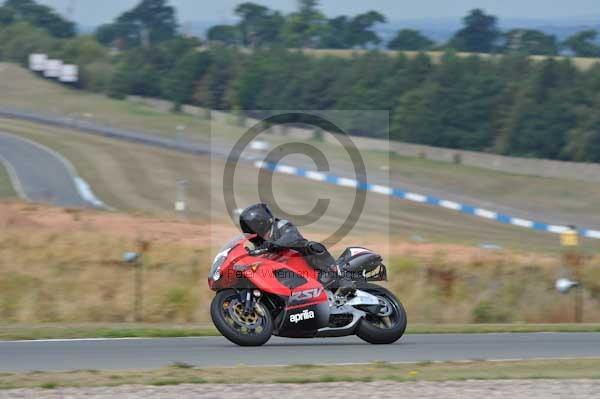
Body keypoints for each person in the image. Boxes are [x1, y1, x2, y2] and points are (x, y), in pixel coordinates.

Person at [239, 203, 355, 294]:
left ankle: (341, 278)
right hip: (293, 281)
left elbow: (292, 237)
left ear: (258, 223)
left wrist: (274, 245)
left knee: (310, 246)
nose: (247, 231)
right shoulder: (258, 246)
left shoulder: (280, 225)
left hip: (314, 271)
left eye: (248, 227)